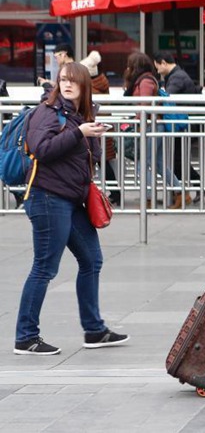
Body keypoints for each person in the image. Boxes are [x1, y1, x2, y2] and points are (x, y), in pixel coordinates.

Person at [14, 62, 129, 355]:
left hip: (72, 199)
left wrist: (92, 136)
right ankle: (26, 336)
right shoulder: (47, 112)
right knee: (44, 267)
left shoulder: (81, 115)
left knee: (92, 260)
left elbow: (88, 158)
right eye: (63, 80)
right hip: (47, 197)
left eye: (73, 81)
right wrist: (79, 133)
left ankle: (94, 330)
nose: (66, 85)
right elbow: (41, 149)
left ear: (84, 86)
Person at [123, 52, 188, 209]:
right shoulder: (144, 79)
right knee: (157, 163)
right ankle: (181, 193)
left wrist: (136, 122)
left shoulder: (145, 81)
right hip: (151, 125)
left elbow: (145, 105)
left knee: (143, 164)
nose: (128, 68)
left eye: (130, 65)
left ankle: (149, 199)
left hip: (151, 126)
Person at [153, 52, 202, 203]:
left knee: (176, 160)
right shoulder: (177, 75)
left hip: (182, 124)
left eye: (157, 67)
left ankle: (187, 190)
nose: (157, 71)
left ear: (163, 63)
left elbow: (167, 98)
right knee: (177, 159)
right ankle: (184, 191)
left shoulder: (176, 78)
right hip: (182, 123)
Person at [80, 51, 121, 206]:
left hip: (93, 128)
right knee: (103, 162)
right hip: (102, 127)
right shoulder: (102, 82)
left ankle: (106, 193)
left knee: (95, 161)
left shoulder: (90, 88)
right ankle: (115, 192)